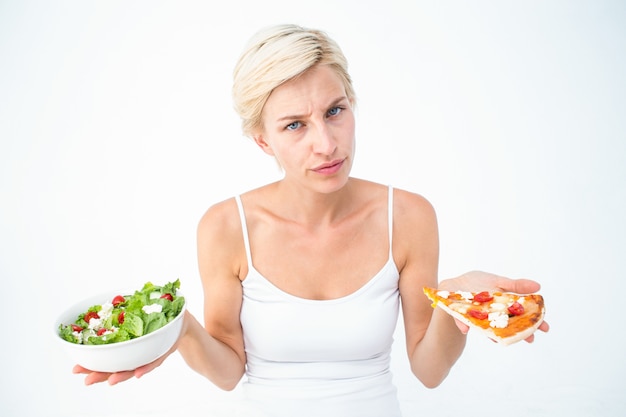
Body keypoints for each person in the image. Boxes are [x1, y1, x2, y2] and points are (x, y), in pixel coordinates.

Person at [74, 24, 549, 416]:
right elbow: (228, 372)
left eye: (335, 111)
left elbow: (429, 370)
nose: (326, 144)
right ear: (263, 140)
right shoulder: (225, 227)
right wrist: (177, 329)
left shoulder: (408, 216)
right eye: (294, 125)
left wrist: (456, 303)